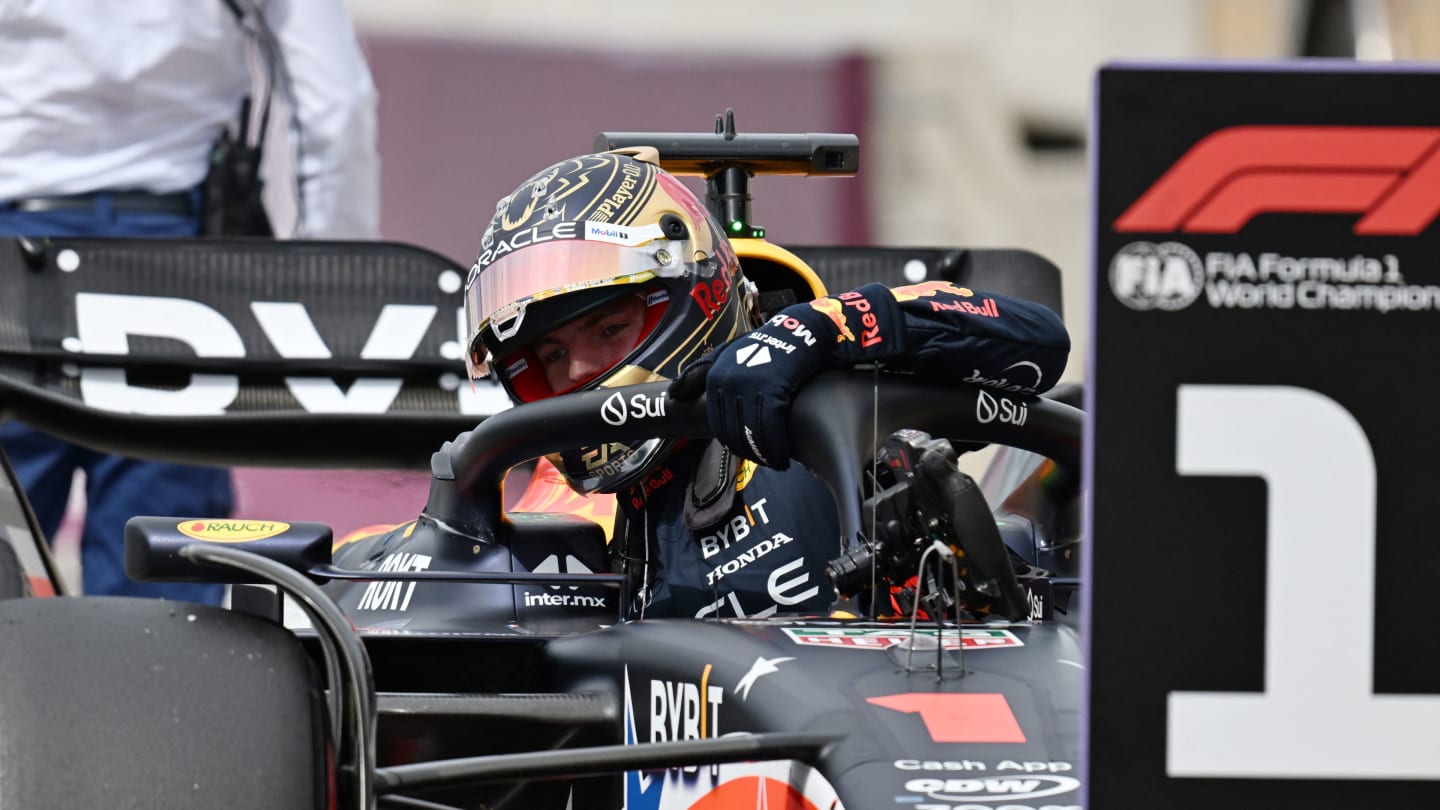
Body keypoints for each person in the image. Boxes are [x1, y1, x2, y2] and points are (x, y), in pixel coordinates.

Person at [464, 149, 1070, 619]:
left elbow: (1037, 341)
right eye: (550, 354)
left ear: (692, 297)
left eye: (610, 327)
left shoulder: (831, 393)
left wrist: (822, 329)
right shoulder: (544, 498)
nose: (572, 373)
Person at [0, 0, 380, 603]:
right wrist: (337, 291)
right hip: (173, 271)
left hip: (12, 252)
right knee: (160, 589)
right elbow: (336, 105)